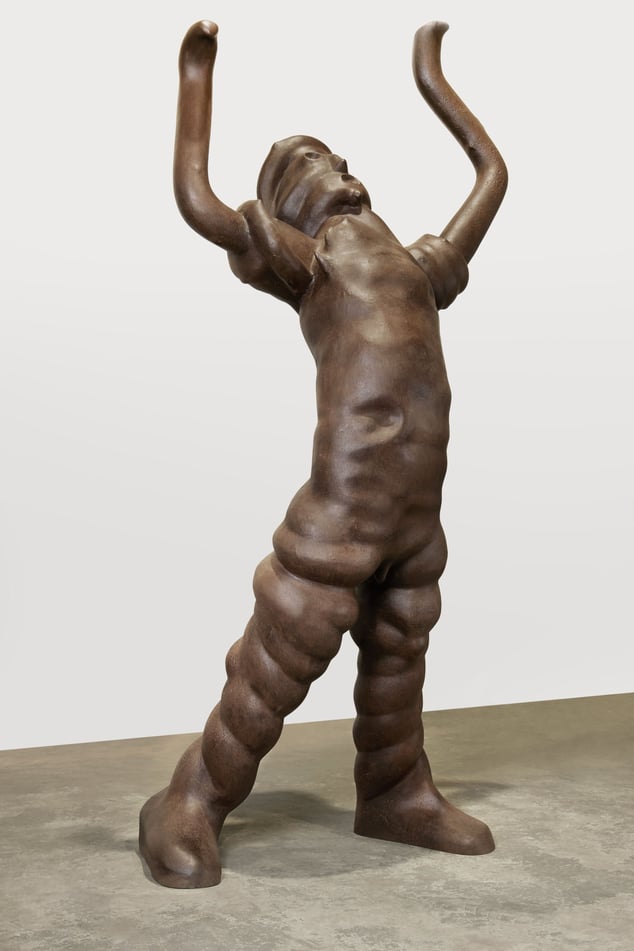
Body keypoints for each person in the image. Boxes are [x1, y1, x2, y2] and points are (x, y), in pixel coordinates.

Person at [139, 19, 508, 888]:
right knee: (279, 659)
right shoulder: (312, 261)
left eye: (338, 158)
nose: (340, 170)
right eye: (311, 165)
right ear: (287, 207)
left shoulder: (415, 264)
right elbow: (198, 199)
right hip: (344, 512)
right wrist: (197, 74)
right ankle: (189, 797)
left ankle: (395, 789)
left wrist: (435, 81)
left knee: (400, 650)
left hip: (415, 513)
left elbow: (492, 178)